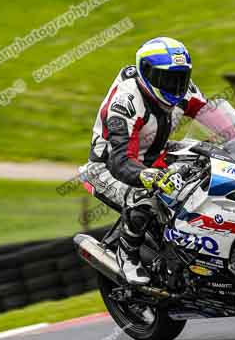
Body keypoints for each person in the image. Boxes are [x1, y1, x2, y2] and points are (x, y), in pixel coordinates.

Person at [80, 37, 209, 285]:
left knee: (203, 161)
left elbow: (212, 115)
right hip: (109, 167)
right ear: (147, 74)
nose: (175, 86)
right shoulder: (126, 101)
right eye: (167, 79)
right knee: (145, 197)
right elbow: (120, 160)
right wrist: (147, 175)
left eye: (180, 78)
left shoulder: (186, 91)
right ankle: (127, 254)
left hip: (154, 156)